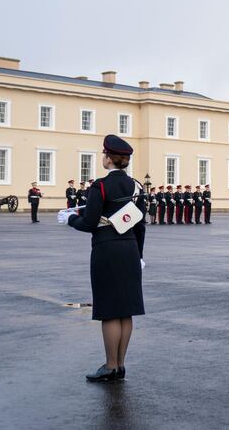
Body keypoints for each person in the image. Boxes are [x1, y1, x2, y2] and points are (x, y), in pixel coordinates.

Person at [64, 134, 146, 382]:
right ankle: (120, 364)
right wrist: (139, 254)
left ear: (109, 159)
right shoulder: (137, 186)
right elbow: (140, 224)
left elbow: (90, 223)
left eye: (104, 155)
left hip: (106, 249)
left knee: (109, 310)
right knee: (126, 310)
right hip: (130, 249)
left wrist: (70, 219)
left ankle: (110, 365)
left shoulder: (99, 186)